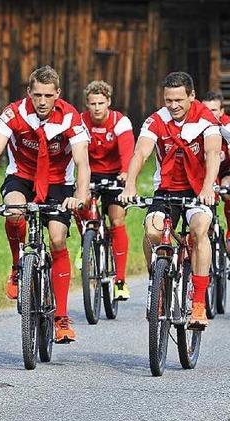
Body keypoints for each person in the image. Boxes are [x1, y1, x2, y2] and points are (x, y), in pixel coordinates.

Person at [0, 65, 91, 343]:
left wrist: (79, 195)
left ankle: (62, 318)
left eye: (48, 95)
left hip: (58, 183)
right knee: (15, 212)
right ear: (29, 93)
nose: (42, 102)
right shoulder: (14, 113)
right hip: (22, 176)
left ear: (58, 95)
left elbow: (81, 161)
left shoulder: (70, 117)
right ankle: (18, 267)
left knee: (57, 238)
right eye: (37, 95)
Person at [120, 72, 221, 329]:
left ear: (191, 96)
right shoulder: (156, 120)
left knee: (199, 231)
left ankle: (198, 303)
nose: (173, 105)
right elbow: (141, 151)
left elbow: (211, 153)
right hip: (165, 189)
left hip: (199, 190)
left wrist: (209, 187)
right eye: (168, 100)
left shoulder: (206, 119)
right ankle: (158, 284)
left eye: (179, 100)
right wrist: (130, 183)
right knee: (152, 231)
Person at [81, 80, 135, 300]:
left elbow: (128, 151)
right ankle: (86, 241)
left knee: (117, 220)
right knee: (79, 204)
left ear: (108, 102)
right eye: (92, 103)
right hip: (90, 174)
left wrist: (124, 173)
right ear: (87, 104)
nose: (96, 108)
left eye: (100, 103)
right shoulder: (81, 122)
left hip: (115, 174)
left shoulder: (120, 122)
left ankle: (120, 281)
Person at [201, 91, 230, 249]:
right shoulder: (196, 125)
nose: (209, 115)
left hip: (225, 170)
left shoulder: (227, 126)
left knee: (227, 190)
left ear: (221, 111)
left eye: (213, 111)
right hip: (205, 172)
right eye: (205, 110)